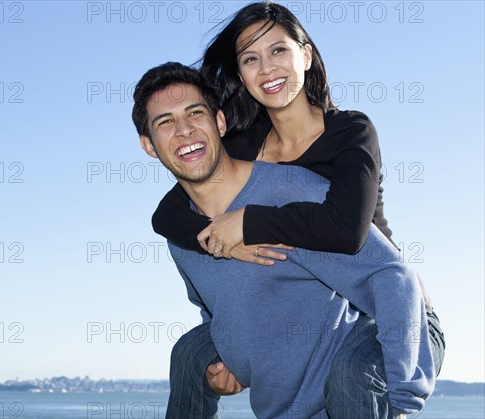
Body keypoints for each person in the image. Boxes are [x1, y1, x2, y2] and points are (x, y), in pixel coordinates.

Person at [148, 2, 444, 417]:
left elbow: (345, 232)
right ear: (240, 74)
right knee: (190, 354)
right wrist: (222, 244)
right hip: (318, 304)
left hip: (383, 306)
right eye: (251, 58)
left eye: (278, 51)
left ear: (305, 55)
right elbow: (169, 213)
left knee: (351, 374)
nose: (267, 68)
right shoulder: (244, 144)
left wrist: (248, 224)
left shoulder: (348, 131)